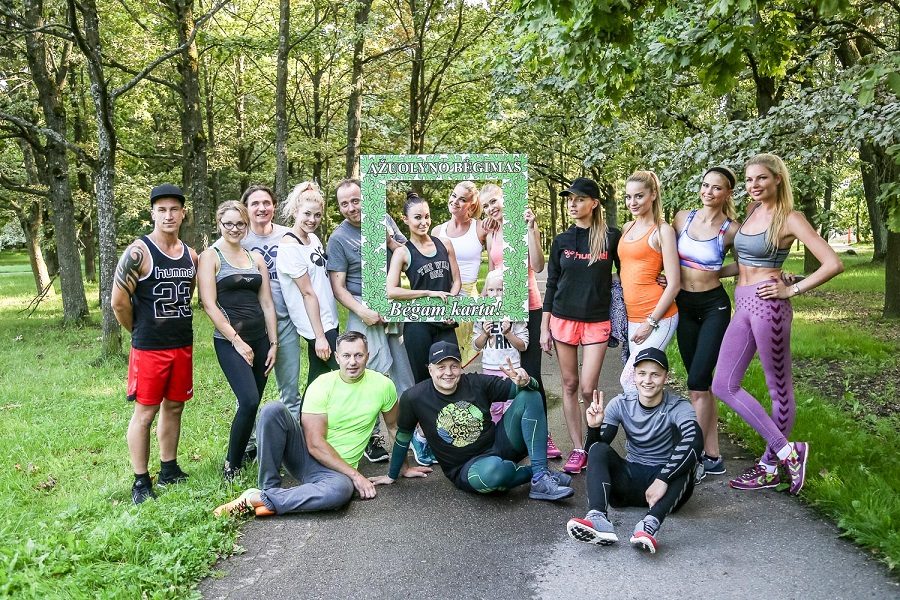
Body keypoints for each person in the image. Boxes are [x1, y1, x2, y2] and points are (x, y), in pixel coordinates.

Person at [712, 153, 843, 494]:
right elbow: (743, 265)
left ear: (778, 180)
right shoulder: (753, 212)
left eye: (762, 179)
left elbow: (832, 263)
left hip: (769, 305)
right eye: (750, 180)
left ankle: (771, 465)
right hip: (742, 302)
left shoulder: (791, 218)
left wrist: (791, 289)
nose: (754, 185)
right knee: (722, 385)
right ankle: (789, 451)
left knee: (778, 388)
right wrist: (700, 275)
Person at [214, 332, 430, 517]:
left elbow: (394, 427)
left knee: (340, 492)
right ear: (337, 357)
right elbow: (314, 444)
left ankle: (263, 500)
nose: (352, 362)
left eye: (358, 355)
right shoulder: (322, 385)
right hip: (305, 457)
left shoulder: (383, 386)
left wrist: (402, 468)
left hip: (334, 474)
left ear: (368, 356)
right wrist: (356, 475)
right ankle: (267, 489)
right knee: (272, 410)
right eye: (346, 355)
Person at [372, 342, 573, 501]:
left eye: (454, 366)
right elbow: (403, 435)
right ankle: (537, 473)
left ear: (461, 366)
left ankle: (540, 477)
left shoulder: (476, 382)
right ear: (430, 369)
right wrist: (394, 473)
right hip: (467, 467)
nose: (448, 373)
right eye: (441, 367)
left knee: (530, 395)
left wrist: (527, 381)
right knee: (493, 473)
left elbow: (526, 391)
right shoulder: (414, 398)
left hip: (499, 445)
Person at [566, 348, 703, 554]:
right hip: (629, 482)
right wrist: (594, 427)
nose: (648, 380)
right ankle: (598, 519)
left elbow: (695, 440)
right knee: (598, 450)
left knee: (689, 459)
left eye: (655, 374)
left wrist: (663, 479)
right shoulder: (620, 404)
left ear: (665, 377)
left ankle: (650, 525)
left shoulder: (678, 406)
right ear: (634, 376)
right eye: (642, 373)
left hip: (666, 489)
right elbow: (594, 451)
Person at [111, 183, 198, 504]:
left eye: (174, 209)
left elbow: (186, 295)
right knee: (145, 414)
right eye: (161, 210)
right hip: (149, 348)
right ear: (152, 213)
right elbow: (118, 302)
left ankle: (169, 467)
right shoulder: (139, 252)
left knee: (175, 406)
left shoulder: (191, 255)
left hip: (182, 344)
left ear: (183, 213)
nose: (168, 215)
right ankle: (140, 481)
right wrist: (140, 330)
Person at [327, 178, 416, 463]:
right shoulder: (338, 238)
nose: (351, 208)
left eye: (356, 200)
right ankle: (373, 437)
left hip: (392, 307)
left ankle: (408, 436)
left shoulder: (384, 218)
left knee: (403, 374)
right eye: (344, 203)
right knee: (370, 372)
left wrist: (391, 240)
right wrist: (362, 311)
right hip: (363, 311)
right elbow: (338, 287)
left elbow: (405, 251)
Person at [540, 177, 621, 474]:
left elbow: (626, 274)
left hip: (596, 321)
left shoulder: (611, 237)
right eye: (569, 199)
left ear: (594, 203)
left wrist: (655, 279)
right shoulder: (562, 240)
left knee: (589, 387)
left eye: (579, 199)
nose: (572, 204)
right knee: (571, 384)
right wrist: (543, 328)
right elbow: (551, 284)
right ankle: (577, 448)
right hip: (563, 318)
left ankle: (594, 441)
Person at [198, 201, 278, 480]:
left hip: (261, 339)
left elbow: (267, 302)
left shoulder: (255, 257)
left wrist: (274, 343)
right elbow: (209, 304)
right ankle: (231, 464)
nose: (234, 228)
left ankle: (243, 455)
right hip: (229, 341)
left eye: (239, 224)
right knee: (248, 399)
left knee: (253, 403)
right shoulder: (211, 256)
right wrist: (236, 341)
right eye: (228, 223)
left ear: (246, 226)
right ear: (219, 224)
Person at [672, 167, 740, 480]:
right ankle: (713, 455)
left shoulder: (732, 230)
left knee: (698, 381)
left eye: (716, 188)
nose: (708, 192)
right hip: (683, 306)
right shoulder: (681, 218)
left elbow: (746, 264)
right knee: (701, 385)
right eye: (705, 186)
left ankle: (694, 455)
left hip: (714, 306)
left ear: (727, 193)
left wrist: (714, 272)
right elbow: (667, 256)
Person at [482, 184, 559, 458]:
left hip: (529, 306)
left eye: (494, 201)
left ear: (504, 198)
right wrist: (487, 306)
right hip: (503, 309)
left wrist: (531, 228)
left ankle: (543, 437)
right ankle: (512, 435)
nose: (491, 208)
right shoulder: (492, 234)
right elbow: (492, 274)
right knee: (509, 375)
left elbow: (538, 266)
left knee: (532, 375)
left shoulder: (524, 225)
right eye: (486, 206)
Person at [241, 185, 300, 430]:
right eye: (254, 203)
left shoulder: (289, 235)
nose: (261, 208)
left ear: (274, 207)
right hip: (251, 325)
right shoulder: (238, 238)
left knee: (290, 390)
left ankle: (292, 442)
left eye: (266, 202)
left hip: (285, 322)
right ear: (245, 209)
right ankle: (249, 443)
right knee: (247, 393)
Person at [387, 191, 462, 383]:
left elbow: (456, 281)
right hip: (418, 325)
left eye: (427, 216)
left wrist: (450, 305)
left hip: (445, 322)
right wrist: (428, 293)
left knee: (450, 376)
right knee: (423, 381)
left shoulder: (445, 244)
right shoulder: (403, 253)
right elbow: (390, 291)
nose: (423, 222)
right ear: (405, 219)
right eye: (417, 217)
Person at [617, 171, 680, 394]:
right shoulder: (627, 228)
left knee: (630, 381)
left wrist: (650, 322)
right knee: (644, 384)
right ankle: (650, 428)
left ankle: (653, 428)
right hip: (632, 317)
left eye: (639, 196)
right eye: (628, 197)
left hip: (658, 317)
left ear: (653, 195)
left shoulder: (663, 231)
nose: (632, 202)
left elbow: (674, 284)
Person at [277, 181, 339, 399]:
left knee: (317, 380)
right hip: (317, 326)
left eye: (318, 215)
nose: (312, 220)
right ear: (296, 211)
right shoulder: (289, 247)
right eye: (307, 214)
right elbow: (307, 293)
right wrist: (319, 337)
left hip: (329, 318)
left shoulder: (312, 239)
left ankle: (303, 429)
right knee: (346, 371)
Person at [432, 181, 488, 365]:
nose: (455, 201)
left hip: (469, 301)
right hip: (443, 298)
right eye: (454, 195)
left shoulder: (480, 228)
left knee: (465, 355)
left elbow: (499, 258)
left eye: (462, 199)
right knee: (445, 357)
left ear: (471, 205)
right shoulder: (437, 231)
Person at [472, 269, 528, 423]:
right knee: (494, 406)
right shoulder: (481, 314)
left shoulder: (515, 314)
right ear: (486, 292)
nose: (495, 294)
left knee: (512, 405)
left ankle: (511, 438)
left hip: (512, 367)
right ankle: (496, 437)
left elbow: (523, 346)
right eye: (491, 290)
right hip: (490, 367)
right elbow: (476, 346)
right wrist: (484, 334)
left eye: (500, 289)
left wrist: (509, 333)